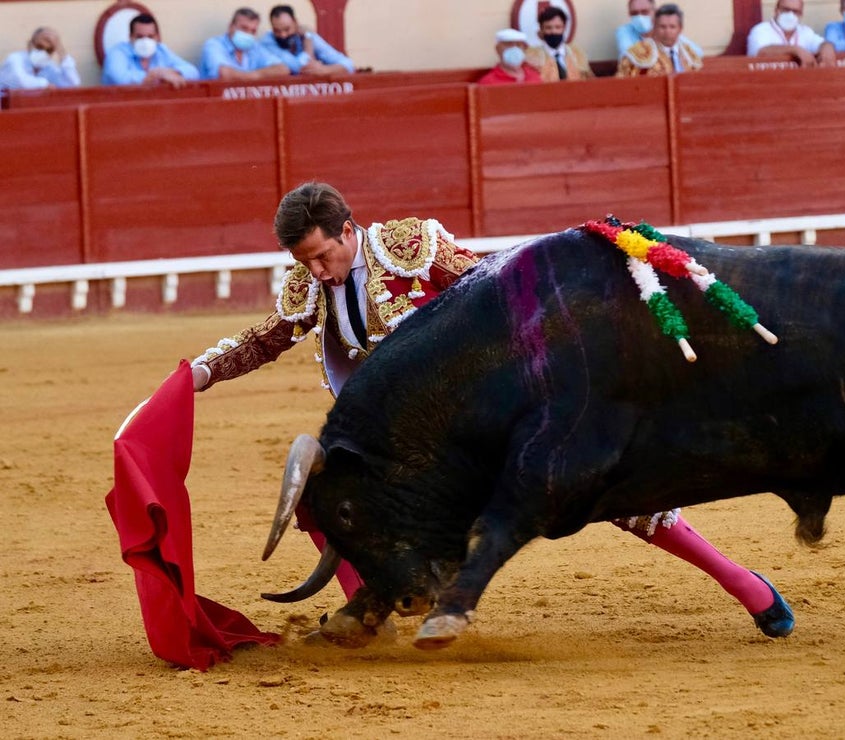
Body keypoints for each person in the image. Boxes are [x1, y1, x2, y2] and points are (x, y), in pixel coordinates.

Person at [189, 182, 794, 642]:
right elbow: (266, 337)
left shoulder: (411, 248)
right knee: (322, 497)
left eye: (323, 256)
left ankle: (742, 583)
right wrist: (202, 372)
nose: (317, 271)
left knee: (602, 490)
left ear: (348, 230)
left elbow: (496, 293)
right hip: (394, 448)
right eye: (306, 263)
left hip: (473, 422)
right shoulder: (307, 284)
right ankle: (367, 616)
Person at [101, 13, 200, 87]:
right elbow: (120, 78)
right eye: (139, 37)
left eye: (150, 37)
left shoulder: (161, 50)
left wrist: (172, 72)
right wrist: (155, 75)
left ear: (157, 37)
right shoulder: (117, 52)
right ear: (130, 37)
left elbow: (193, 72)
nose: (145, 41)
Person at [261, 4, 356, 77]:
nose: (283, 35)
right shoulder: (268, 41)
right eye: (277, 31)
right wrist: (308, 46)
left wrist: (324, 69)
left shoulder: (307, 35)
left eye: (287, 29)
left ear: (295, 23)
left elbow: (348, 64)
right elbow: (298, 67)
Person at [201, 6, 290, 80]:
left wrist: (252, 75)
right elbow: (224, 74)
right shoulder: (214, 45)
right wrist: (258, 75)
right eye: (244, 28)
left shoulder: (255, 47)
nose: (248, 34)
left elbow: (283, 69)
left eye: (253, 31)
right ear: (231, 27)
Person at [616, 3, 703, 77]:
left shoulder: (689, 54)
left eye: (672, 27)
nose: (667, 31)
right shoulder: (637, 53)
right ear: (654, 27)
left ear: (680, 29)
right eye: (662, 26)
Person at [747, 0, 837, 68]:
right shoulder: (761, 30)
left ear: (801, 14)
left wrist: (827, 48)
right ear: (776, 10)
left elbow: (822, 43)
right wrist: (796, 50)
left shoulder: (805, 32)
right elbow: (759, 51)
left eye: (795, 11)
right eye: (786, 10)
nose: (790, 14)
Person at [526, 6, 594, 82]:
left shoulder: (577, 53)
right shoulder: (531, 55)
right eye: (548, 28)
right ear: (542, 29)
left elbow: (590, 80)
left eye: (558, 27)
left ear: (564, 28)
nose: (553, 31)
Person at [0, 27, 80, 91]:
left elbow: (72, 85)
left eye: (49, 50)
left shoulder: (48, 66)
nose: (43, 53)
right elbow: (20, 81)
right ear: (30, 45)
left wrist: (61, 51)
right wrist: (45, 84)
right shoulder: (15, 59)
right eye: (39, 47)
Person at [477, 28, 542, 85]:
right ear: (498, 49)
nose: (514, 49)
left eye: (518, 45)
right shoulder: (488, 82)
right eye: (508, 45)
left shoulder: (534, 77)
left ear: (524, 49)